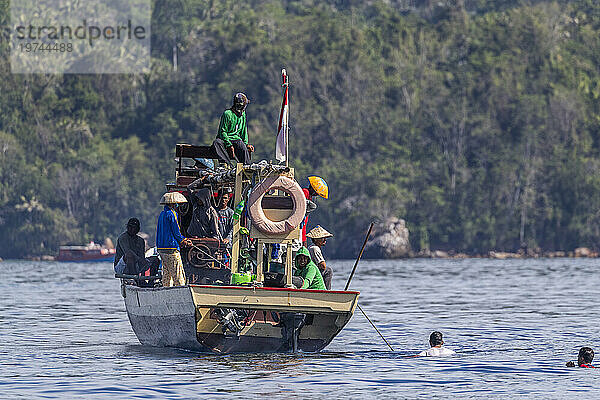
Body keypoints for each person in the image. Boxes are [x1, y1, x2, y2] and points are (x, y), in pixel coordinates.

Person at [157, 192, 192, 287]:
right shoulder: (172, 214)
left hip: (161, 249)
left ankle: (166, 289)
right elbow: (176, 231)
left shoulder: (162, 214)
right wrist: (183, 241)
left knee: (167, 274)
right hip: (171, 249)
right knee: (178, 275)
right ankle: (180, 290)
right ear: (173, 204)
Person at [212, 93, 254, 166]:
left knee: (242, 146)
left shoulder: (243, 114)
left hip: (236, 140)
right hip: (225, 140)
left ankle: (247, 167)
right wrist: (229, 145)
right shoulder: (227, 114)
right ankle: (226, 165)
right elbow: (222, 132)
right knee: (217, 142)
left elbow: (244, 130)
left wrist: (246, 144)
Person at [301, 176, 329, 245]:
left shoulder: (309, 196)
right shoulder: (305, 192)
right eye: (316, 192)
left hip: (303, 225)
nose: (316, 195)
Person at [307, 225, 333, 290]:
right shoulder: (315, 248)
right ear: (315, 239)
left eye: (324, 238)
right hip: (313, 271)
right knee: (328, 270)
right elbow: (323, 265)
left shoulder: (311, 247)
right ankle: (327, 291)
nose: (324, 240)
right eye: (322, 238)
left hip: (312, 270)